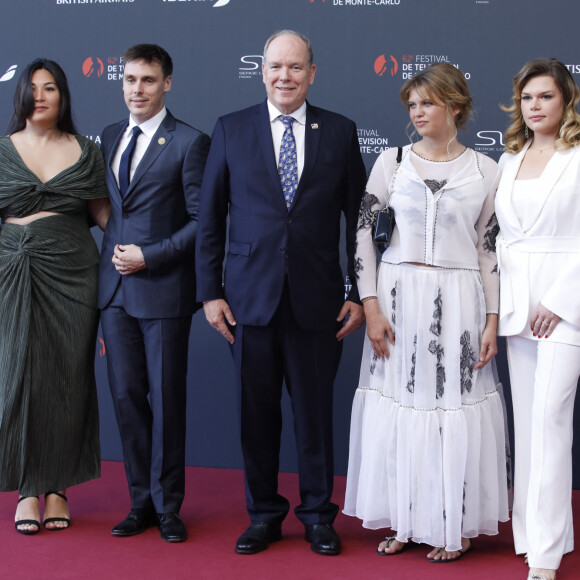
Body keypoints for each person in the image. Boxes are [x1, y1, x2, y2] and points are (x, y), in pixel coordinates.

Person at [196, 30, 366, 556]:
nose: (284, 77)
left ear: (312, 73)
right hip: (248, 301)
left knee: (315, 417)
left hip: (318, 301)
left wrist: (360, 292)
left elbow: (358, 221)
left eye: (295, 67)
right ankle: (264, 514)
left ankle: (318, 515)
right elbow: (209, 219)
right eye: (275, 67)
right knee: (257, 416)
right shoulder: (231, 129)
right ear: (262, 71)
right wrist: (209, 292)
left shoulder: (339, 131)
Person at [344, 62, 510, 562]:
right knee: (400, 408)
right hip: (398, 299)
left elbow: (489, 251)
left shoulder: (487, 170)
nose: (417, 112)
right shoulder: (391, 162)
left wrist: (492, 322)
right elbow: (362, 237)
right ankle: (404, 519)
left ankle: (449, 526)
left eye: (428, 103)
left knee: (448, 413)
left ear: (455, 107)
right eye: (412, 105)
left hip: (460, 303)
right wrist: (370, 306)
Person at [99, 44, 210, 543]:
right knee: (126, 398)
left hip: (163, 289)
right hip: (114, 292)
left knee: (165, 400)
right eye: (129, 79)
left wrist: (151, 254)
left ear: (167, 83)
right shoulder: (107, 137)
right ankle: (139, 502)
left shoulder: (189, 142)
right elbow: (110, 209)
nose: (137, 89)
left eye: (147, 80)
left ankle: (168, 508)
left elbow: (203, 222)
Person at [0, 59, 109, 534]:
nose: (40, 96)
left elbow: (107, 217)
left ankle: (59, 487)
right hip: (11, 273)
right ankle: (28, 488)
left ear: (64, 97)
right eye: (33, 88)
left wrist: (161, 241)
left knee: (68, 378)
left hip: (73, 273)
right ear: (20, 95)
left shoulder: (87, 151)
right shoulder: (1, 151)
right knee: (19, 377)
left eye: (51, 88)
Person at [495, 58, 580, 580]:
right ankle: (537, 534)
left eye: (545, 97)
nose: (535, 107)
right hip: (517, 308)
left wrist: (561, 299)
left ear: (566, 101)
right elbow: (504, 237)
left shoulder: (578, 156)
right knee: (528, 429)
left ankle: (545, 560)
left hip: (565, 308)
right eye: (528, 98)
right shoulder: (511, 156)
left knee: (550, 424)